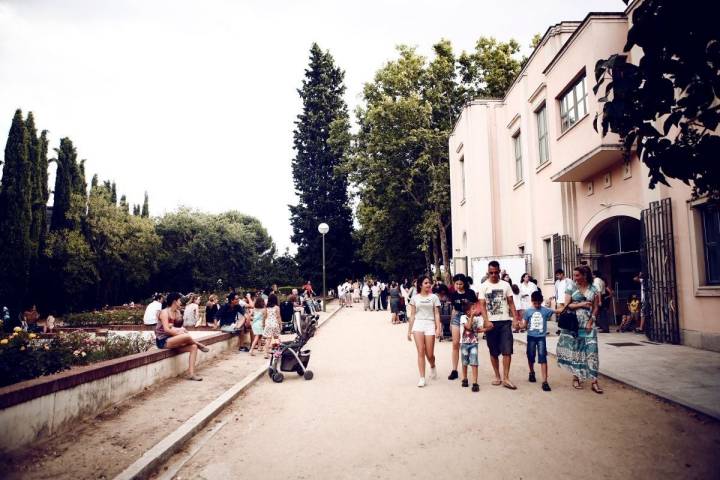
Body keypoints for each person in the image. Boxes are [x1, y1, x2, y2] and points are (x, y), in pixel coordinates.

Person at [556, 265, 603, 394]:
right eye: (574, 275)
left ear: (585, 275)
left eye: (577, 275)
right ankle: (576, 377)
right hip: (574, 325)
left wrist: (591, 321)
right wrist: (581, 304)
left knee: (592, 351)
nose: (575, 278)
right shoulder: (571, 287)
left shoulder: (594, 288)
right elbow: (567, 305)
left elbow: (596, 307)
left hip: (589, 324)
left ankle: (594, 381)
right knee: (577, 350)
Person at [478, 260, 520, 389]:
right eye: (491, 273)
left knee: (507, 350)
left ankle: (506, 378)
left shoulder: (506, 285)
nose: (494, 275)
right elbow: (482, 305)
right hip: (491, 323)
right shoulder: (483, 286)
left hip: (505, 322)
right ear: (488, 272)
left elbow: (511, 303)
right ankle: (497, 376)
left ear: (499, 271)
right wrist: (486, 320)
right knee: (494, 351)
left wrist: (515, 319)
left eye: (496, 272)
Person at [156, 292, 210, 381]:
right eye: (179, 300)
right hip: (163, 341)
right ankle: (199, 344)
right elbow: (166, 329)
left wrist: (181, 330)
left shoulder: (177, 312)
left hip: (173, 340)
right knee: (187, 337)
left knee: (193, 347)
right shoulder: (164, 312)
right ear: (174, 301)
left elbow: (177, 327)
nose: (181, 302)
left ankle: (191, 374)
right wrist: (181, 334)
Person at [406, 276, 441, 388]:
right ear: (420, 285)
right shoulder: (415, 298)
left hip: (430, 324)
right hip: (418, 324)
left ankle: (432, 365)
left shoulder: (434, 297)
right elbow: (412, 315)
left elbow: (436, 313)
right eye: (426, 283)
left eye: (429, 283)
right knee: (421, 351)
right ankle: (422, 378)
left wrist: (438, 327)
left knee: (429, 353)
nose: (428, 285)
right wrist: (409, 330)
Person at [447, 273, 478, 381]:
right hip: (456, 318)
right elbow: (454, 309)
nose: (458, 286)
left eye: (460, 284)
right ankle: (454, 370)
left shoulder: (470, 293)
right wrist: (451, 322)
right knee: (455, 344)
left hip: (468, 317)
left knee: (469, 343)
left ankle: (470, 370)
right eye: (456, 284)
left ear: (464, 283)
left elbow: (475, 306)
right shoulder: (453, 294)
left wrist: (474, 319)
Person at [522, 291, 553, 391]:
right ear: (532, 301)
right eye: (535, 303)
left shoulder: (545, 310)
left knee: (542, 357)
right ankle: (532, 372)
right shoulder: (528, 312)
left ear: (542, 301)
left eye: (539, 303)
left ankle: (545, 381)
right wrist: (519, 325)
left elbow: (556, 311)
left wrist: (567, 305)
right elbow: (524, 324)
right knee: (530, 356)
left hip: (541, 337)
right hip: (531, 337)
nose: (537, 305)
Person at [459, 303, 492, 392]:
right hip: (464, 343)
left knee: (474, 362)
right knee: (464, 362)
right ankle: (465, 378)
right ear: (468, 312)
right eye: (473, 309)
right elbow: (468, 327)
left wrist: (488, 328)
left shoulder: (478, 319)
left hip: (474, 343)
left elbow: (479, 329)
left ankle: (475, 382)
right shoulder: (463, 318)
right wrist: (472, 317)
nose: (475, 310)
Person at [554, 269, 572, 335]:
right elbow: (556, 291)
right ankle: (560, 329)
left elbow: (571, 290)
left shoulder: (568, 281)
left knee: (567, 314)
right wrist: (555, 299)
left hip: (566, 300)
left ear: (562, 274)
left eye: (558, 275)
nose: (557, 277)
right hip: (559, 300)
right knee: (560, 315)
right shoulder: (557, 282)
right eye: (557, 276)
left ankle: (568, 328)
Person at [263, 293, 281, 359]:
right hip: (275, 324)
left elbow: (264, 316)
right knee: (277, 338)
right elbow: (278, 317)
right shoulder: (277, 307)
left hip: (268, 324)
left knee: (268, 340)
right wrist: (280, 324)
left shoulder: (266, 308)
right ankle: (277, 353)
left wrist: (263, 324)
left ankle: (266, 354)